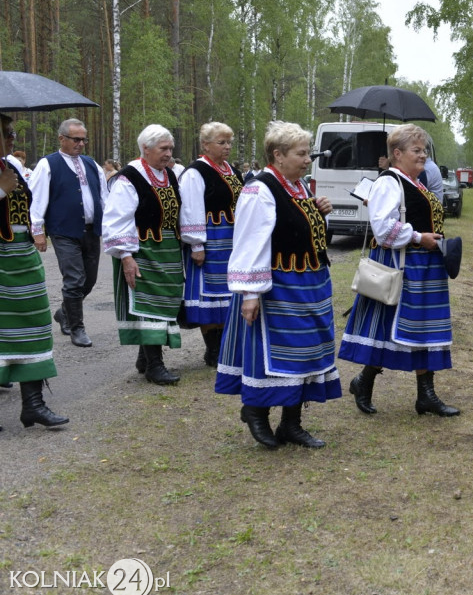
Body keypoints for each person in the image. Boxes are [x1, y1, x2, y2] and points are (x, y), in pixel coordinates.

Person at [215, 121, 340, 449]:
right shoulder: (261, 189)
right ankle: (255, 411)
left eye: (307, 153)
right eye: (301, 154)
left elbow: (303, 234)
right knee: (273, 353)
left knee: (305, 354)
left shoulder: (298, 187)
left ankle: (291, 423)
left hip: (310, 284)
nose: (307, 159)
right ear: (278, 155)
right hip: (280, 286)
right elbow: (250, 242)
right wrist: (250, 294)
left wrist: (319, 213)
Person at [339, 124, 459, 418]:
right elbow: (382, 229)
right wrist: (420, 237)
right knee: (389, 327)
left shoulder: (415, 182)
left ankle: (425, 396)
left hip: (425, 267)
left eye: (425, 150)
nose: (423, 155)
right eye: (417, 150)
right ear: (397, 153)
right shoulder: (389, 182)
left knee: (424, 329)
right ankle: (364, 382)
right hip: (401, 266)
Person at [0, 112, 69, 430]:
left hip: (23, 260)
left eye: (12, 131)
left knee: (35, 327)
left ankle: (33, 405)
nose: (12, 137)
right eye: (6, 132)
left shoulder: (11, 165)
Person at [102, 125, 184, 385]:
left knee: (164, 302)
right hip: (143, 248)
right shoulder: (129, 178)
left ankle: (144, 356)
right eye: (163, 149)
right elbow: (117, 218)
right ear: (145, 149)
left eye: (170, 148)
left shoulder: (168, 174)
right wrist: (126, 256)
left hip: (168, 249)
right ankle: (155, 365)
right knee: (148, 304)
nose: (168, 153)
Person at [28, 118, 107, 348]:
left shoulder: (91, 164)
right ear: (62, 139)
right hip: (63, 231)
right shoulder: (48, 164)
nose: (81, 143)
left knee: (89, 281)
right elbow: (37, 198)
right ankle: (77, 328)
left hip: (91, 231)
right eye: (76, 139)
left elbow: (103, 196)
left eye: (83, 139)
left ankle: (64, 312)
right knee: (74, 279)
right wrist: (37, 230)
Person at [178, 122, 243, 367]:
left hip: (230, 241)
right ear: (206, 144)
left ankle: (225, 346)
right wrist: (196, 245)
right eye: (222, 142)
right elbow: (191, 208)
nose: (227, 147)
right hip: (210, 240)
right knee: (209, 294)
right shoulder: (196, 172)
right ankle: (213, 350)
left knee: (227, 293)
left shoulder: (230, 170)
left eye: (229, 142)